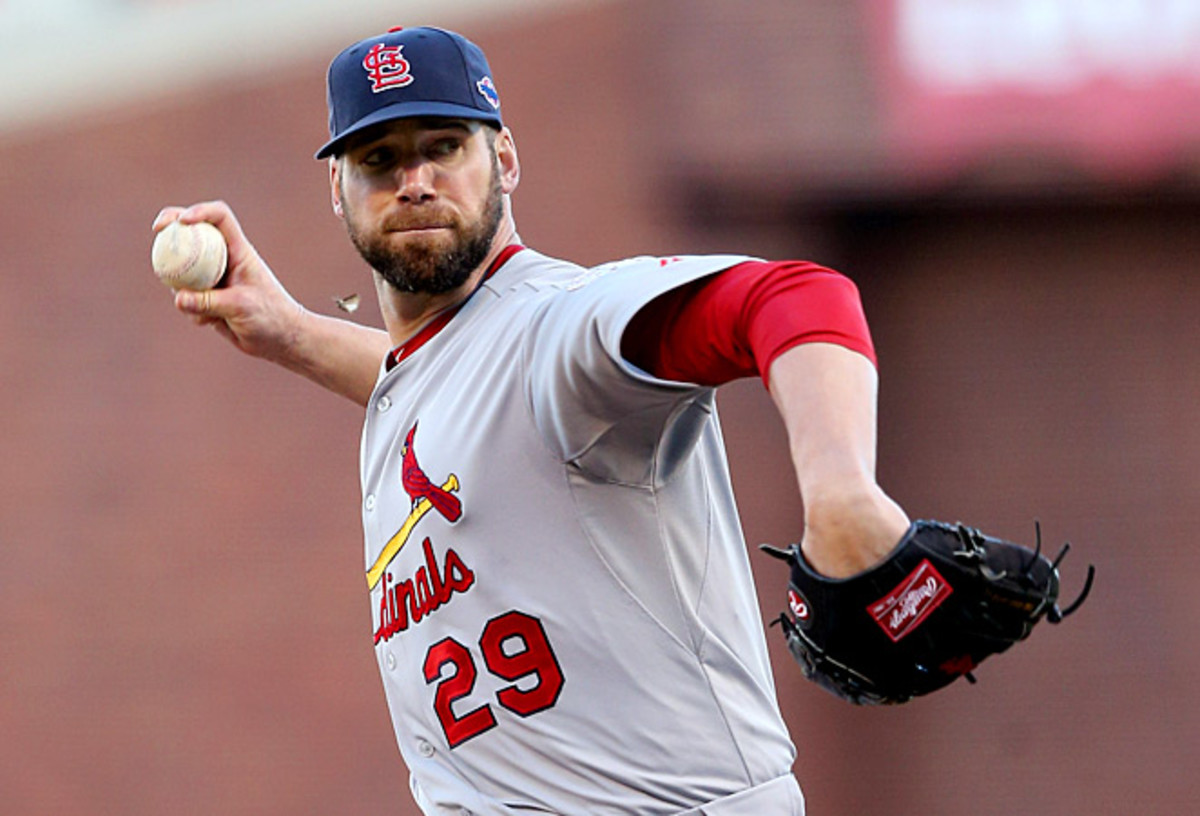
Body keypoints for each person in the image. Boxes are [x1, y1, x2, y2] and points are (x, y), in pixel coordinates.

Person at [154, 25, 909, 816]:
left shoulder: (562, 329)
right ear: (337, 190)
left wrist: (841, 495)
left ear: (505, 161)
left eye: (443, 146)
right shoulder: (440, 367)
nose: (414, 180)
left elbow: (796, 296)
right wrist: (292, 334)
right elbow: (440, 385)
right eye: (379, 160)